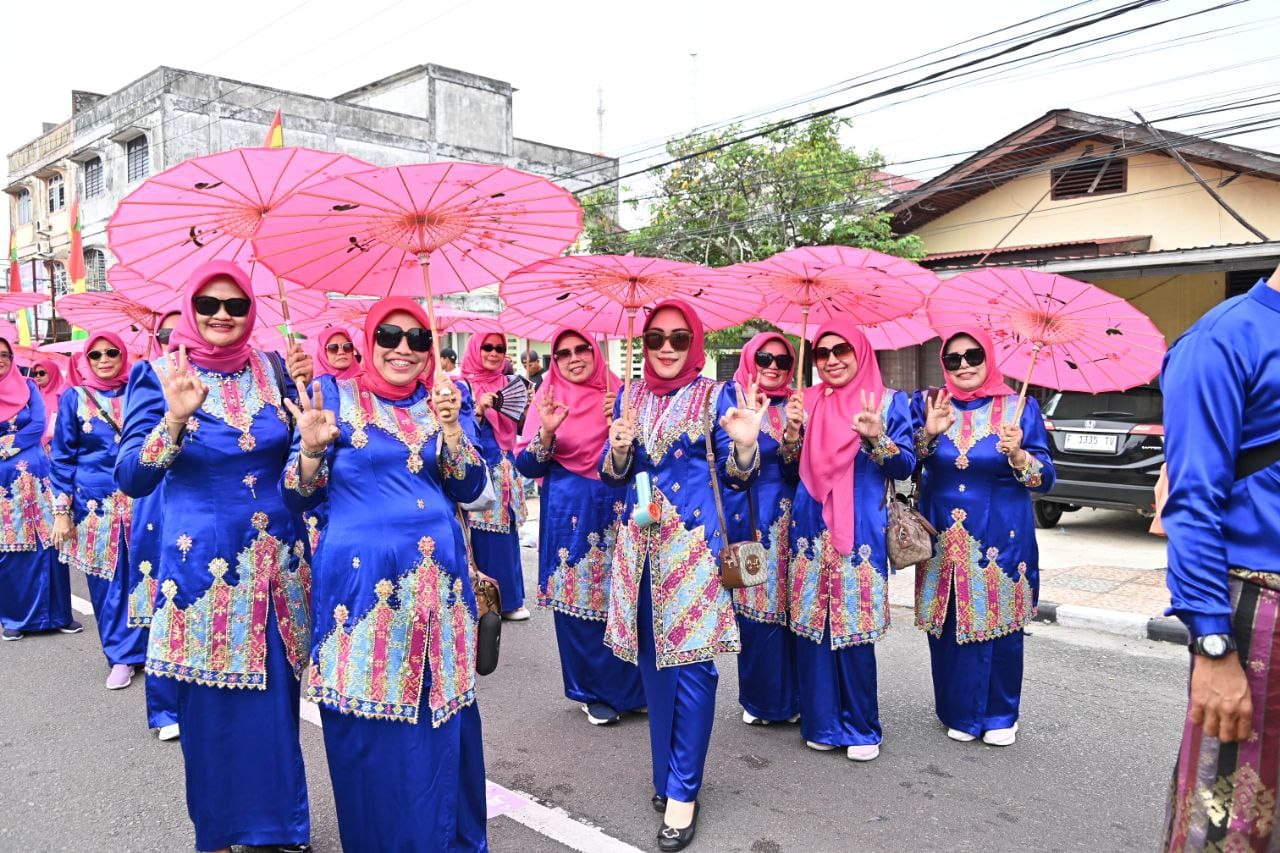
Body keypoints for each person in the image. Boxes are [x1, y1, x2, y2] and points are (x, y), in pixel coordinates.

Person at [115, 261, 313, 853]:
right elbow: (131, 476)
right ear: (189, 309)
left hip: (278, 566)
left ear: (252, 310)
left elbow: (302, 459)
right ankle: (223, 831)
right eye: (208, 304)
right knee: (213, 714)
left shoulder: (273, 367)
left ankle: (281, 830)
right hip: (203, 571)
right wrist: (174, 420)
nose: (222, 314)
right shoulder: (156, 375)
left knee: (276, 707)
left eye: (235, 304)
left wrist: (312, 427)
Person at [281, 297, 490, 852]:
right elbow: (297, 496)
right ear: (368, 342)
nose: (403, 349)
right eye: (390, 337)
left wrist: (451, 431)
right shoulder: (334, 399)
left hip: (437, 590)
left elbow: (472, 494)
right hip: (359, 592)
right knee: (367, 719)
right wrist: (308, 449)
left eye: (418, 340)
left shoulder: (446, 401)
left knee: (436, 714)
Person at [602, 300, 765, 851]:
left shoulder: (714, 395)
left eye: (677, 338)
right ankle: (665, 776)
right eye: (655, 338)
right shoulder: (631, 396)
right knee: (654, 666)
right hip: (641, 550)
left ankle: (683, 793)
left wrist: (744, 445)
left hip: (694, 552)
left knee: (693, 671)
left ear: (693, 341)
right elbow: (619, 477)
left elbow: (739, 477)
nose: (666, 348)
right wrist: (619, 452)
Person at [1160, 273, 1280, 851]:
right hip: (1258, 616)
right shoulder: (1225, 339)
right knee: (1227, 823)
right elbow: (1191, 501)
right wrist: (1213, 645)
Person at [911, 327, 1055, 746]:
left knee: (1000, 623)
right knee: (949, 621)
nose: (964, 365)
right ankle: (957, 710)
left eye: (973, 355)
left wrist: (1020, 454)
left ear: (988, 358)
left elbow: (1044, 480)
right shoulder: (931, 405)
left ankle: (999, 714)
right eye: (953, 359)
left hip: (1001, 534)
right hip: (941, 534)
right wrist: (929, 434)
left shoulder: (1019, 406)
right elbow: (908, 462)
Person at [788, 319, 915, 762]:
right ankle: (821, 722)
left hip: (860, 530)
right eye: (822, 353)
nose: (832, 359)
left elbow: (905, 468)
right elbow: (789, 469)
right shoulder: (805, 402)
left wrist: (876, 438)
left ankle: (861, 727)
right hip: (807, 528)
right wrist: (791, 433)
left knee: (854, 631)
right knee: (813, 630)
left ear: (860, 352)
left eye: (842, 349)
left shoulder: (888, 401)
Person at [515, 327, 643, 726]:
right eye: (563, 353)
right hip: (568, 510)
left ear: (596, 351)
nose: (574, 358)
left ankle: (630, 689)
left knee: (624, 597)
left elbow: (649, 458)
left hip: (619, 506)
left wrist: (621, 428)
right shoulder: (546, 397)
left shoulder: (622, 394)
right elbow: (526, 464)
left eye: (582, 349)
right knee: (578, 602)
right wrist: (548, 432)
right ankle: (592, 690)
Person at [49, 332, 149, 691]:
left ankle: (149, 650)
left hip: (142, 499)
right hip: (95, 506)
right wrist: (62, 511)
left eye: (111, 352)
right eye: (95, 355)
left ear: (123, 355)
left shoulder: (141, 392)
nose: (104, 359)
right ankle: (121, 656)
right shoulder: (74, 397)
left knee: (145, 576)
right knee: (106, 584)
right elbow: (62, 457)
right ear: (85, 360)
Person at [721, 333, 805, 727]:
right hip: (749, 513)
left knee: (794, 608)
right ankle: (762, 699)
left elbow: (798, 468)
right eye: (765, 357)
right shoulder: (730, 399)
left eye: (782, 361)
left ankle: (798, 694)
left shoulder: (799, 403)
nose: (773, 366)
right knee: (756, 611)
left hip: (796, 517)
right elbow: (726, 467)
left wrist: (793, 435)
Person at [0, 333, 80, 641]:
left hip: (37, 476)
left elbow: (37, 425)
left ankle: (59, 615)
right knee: (10, 548)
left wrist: (6, 446)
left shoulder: (28, 386)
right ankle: (14, 618)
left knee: (49, 542)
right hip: (5, 484)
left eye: (5, 354)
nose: (1, 359)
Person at [129, 309, 182, 741]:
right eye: (169, 332)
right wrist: (174, 420)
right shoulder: (151, 376)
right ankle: (165, 709)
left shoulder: (252, 374)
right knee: (165, 606)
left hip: (211, 512)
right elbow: (129, 467)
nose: (177, 338)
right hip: (159, 504)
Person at [461, 330, 529, 621]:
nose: (493, 353)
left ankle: (510, 600)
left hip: (504, 468)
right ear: (476, 349)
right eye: (487, 347)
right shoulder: (462, 386)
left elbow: (521, 428)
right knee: (474, 534)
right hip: (477, 467)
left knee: (505, 535)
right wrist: (478, 410)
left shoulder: (510, 384)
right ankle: (478, 600)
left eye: (499, 348)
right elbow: (458, 432)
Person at [31, 357, 65, 446]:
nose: (37, 376)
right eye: (35, 373)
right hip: (34, 443)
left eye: (42, 373)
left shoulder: (62, 394)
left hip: (56, 444)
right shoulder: (33, 393)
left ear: (52, 373)